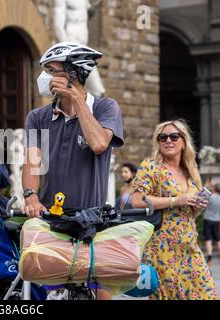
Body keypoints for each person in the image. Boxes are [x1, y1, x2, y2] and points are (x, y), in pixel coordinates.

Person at [22, 42, 123, 299]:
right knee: (51, 291)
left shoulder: (105, 108)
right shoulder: (38, 117)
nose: (44, 77)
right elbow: (33, 162)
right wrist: (31, 196)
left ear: (71, 75)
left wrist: (77, 100)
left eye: (50, 70)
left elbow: (99, 144)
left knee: (100, 291)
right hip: (52, 219)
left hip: (93, 219)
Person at [131, 120, 218, 300]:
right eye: (162, 137)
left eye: (174, 136)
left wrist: (197, 208)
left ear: (184, 141)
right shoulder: (151, 166)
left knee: (208, 293)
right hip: (162, 248)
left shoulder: (190, 172)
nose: (168, 140)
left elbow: (190, 213)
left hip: (189, 246)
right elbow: (137, 200)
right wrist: (175, 200)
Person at [53, 0, 105, 97]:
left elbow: (89, 12)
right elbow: (58, 26)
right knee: (97, 90)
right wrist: (68, 49)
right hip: (72, 44)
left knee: (96, 91)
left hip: (83, 44)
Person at [203, 183, 220, 267]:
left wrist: (207, 185)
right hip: (217, 220)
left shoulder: (210, 197)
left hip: (208, 219)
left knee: (208, 239)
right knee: (218, 239)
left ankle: (209, 258)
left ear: (214, 188)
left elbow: (202, 194)